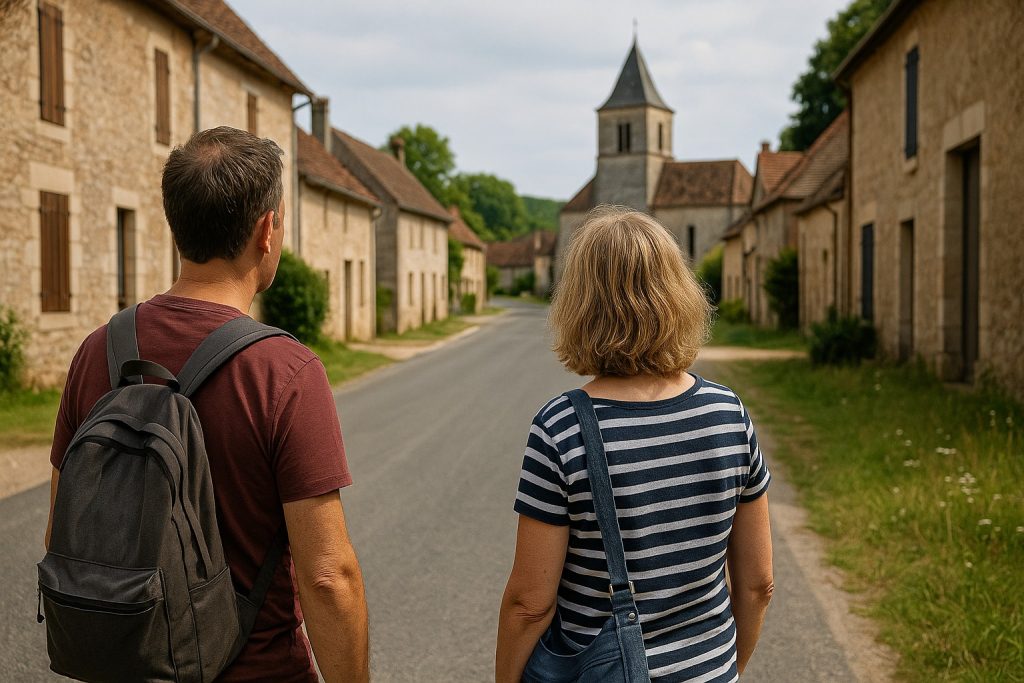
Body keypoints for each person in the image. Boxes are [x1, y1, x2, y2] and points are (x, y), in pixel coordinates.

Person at [44, 127, 369, 683]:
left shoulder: (97, 351)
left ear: (178, 226)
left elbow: (61, 533)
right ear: (267, 230)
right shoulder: (285, 372)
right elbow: (327, 577)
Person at [496, 206, 774, 682]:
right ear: (678, 296)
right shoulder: (729, 412)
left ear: (580, 305)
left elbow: (529, 604)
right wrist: (729, 667)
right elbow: (757, 584)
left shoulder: (560, 427)